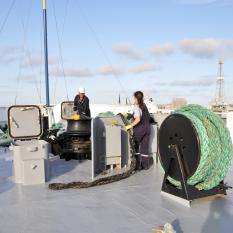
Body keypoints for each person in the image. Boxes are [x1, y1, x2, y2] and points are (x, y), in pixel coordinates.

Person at [125, 91, 152, 170]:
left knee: (136, 147)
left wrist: (129, 126)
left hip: (140, 130)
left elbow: (138, 119)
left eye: (134, 97)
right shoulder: (144, 106)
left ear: (136, 98)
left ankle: (137, 166)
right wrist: (131, 114)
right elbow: (146, 116)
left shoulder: (136, 106)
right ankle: (145, 166)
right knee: (144, 148)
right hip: (147, 129)